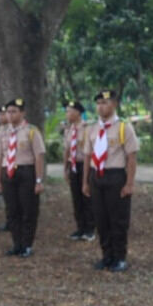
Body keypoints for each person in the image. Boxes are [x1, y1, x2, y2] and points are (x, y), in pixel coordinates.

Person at [82, 90, 139, 272]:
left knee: (118, 218)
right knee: (101, 218)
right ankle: (106, 256)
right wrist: (85, 182)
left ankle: (120, 257)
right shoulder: (92, 129)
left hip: (115, 176)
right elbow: (87, 157)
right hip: (96, 176)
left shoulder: (123, 127)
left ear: (114, 104)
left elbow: (131, 158)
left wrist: (129, 183)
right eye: (98, 103)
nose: (101, 106)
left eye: (105, 102)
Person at [0, 98, 46, 258]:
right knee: (12, 210)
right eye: (8, 112)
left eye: (14, 111)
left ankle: (27, 244)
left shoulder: (31, 131)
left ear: (22, 113)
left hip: (26, 172)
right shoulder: (2, 132)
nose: (10, 115)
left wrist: (39, 180)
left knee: (28, 210)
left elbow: (39, 156)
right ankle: (16, 244)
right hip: (8, 172)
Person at [63, 100, 95, 242]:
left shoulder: (88, 128)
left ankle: (90, 229)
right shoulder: (69, 129)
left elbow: (92, 150)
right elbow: (67, 150)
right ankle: (80, 228)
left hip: (85, 165)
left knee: (87, 196)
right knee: (76, 198)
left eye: (69, 111)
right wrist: (65, 168)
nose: (67, 114)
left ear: (77, 112)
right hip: (73, 165)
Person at [0, 104, 11, 232]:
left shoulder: (15, 129)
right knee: (8, 197)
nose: (1, 117)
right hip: (5, 165)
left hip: (16, 165)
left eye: (4, 114)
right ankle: (9, 220)